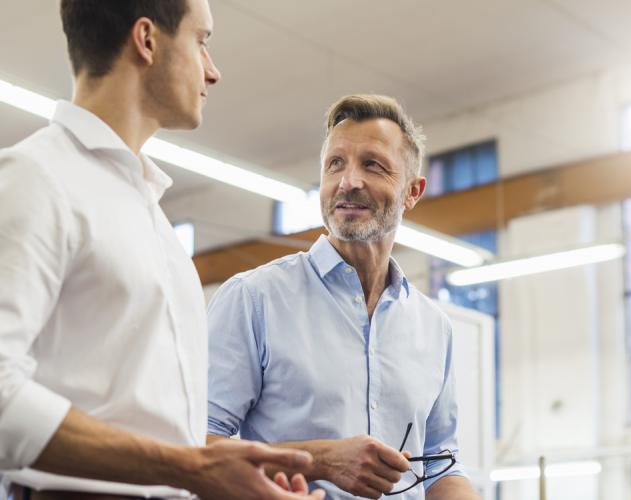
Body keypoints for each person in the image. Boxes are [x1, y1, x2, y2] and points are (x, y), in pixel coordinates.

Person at [0, 1, 323, 499]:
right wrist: (189, 468)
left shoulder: (148, 211)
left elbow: (158, 428)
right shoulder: (35, 178)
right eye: (201, 41)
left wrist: (230, 481)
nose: (212, 71)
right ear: (147, 40)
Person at [205, 95, 482, 500]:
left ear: (413, 191)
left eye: (372, 164)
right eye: (335, 163)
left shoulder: (433, 326)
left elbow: (441, 465)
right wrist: (320, 461)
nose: (348, 181)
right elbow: (198, 445)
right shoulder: (253, 299)